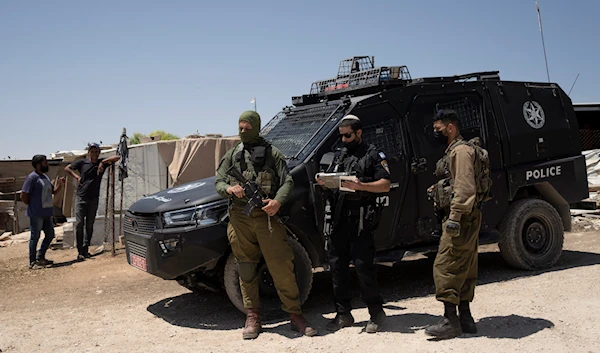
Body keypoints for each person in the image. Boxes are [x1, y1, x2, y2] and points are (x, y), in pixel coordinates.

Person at [215, 111, 317, 339]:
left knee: (281, 266)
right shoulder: (232, 155)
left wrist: (277, 202)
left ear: (257, 127)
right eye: (240, 128)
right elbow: (219, 181)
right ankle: (252, 316)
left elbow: (287, 181)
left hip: (267, 218)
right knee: (246, 267)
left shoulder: (273, 153)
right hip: (240, 219)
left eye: (247, 128)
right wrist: (229, 189)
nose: (242, 132)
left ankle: (294, 315)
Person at [315, 114, 391, 333]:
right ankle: (343, 314)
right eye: (341, 136)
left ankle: (376, 313)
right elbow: (332, 180)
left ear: (359, 133)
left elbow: (385, 184)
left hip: (360, 218)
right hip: (339, 217)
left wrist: (361, 186)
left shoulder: (373, 154)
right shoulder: (339, 156)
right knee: (337, 267)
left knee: (363, 267)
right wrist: (324, 183)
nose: (344, 140)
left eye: (348, 135)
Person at [425, 109, 486, 339]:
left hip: (460, 217)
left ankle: (450, 320)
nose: (435, 133)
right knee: (466, 265)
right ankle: (466, 318)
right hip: (469, 215)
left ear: (450, 127)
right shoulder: (460, 149)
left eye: (438, 129)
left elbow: (464, 187)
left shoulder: (460, 151)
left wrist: (454, 217)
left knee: (446, 265)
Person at [64, 143, 120, 260]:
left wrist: (102, 163)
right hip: (81, 197)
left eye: (96, 151)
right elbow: (67, 168)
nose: (94, 154)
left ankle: (85, 249)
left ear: (99, 152)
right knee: (79, 224)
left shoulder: (102, 163)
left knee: (89, 225)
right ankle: (79, 251)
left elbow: (117, 157)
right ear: (88, 153)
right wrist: (76, 177)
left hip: (94, 198)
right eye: (92, 151)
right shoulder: (82, 162)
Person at [21, 154, 65, 269]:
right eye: (45, 162)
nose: (47, 164)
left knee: (50, 235)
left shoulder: (44, 177)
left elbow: (53, 191)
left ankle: (40, 257)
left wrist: (60, 185)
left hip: (46, 213)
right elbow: (24, 195)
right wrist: (32, 205)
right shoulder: (32, 178)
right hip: (36, 213)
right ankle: (32, 262)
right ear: (38, 164)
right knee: (35, 237)